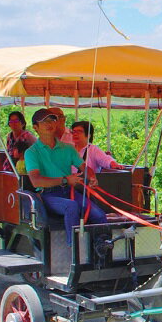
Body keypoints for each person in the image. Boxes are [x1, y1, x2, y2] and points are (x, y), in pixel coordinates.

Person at [25, 108, 108, 253]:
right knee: (71, 206)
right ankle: (74, 250)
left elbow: (84, 167)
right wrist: (64, 180)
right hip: (48, 195)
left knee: (100, 215)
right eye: (44, 121)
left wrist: (92, 177)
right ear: (35, 127)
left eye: (52, 120)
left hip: (69, 191)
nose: (49, 123)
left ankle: (101, 248)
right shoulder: (31, 152)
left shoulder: (68, 149)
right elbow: (36, 181)